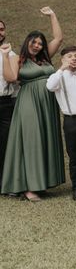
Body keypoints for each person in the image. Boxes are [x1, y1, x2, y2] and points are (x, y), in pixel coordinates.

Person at [1, 7, 64, 201]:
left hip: (47, 105)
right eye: (33, 42)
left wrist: (53, 15)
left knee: (45, 140)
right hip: (28, 103)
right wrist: (4, 55)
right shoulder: (17, 58)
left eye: (39, 43)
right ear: (27, 42)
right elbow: (11, 77)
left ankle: (41, 183)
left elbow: (58, 39)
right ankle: (28, 187)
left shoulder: (45, 58)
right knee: (32, 142)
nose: (36, 45)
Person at [46, 43, 76, 200]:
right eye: (70, 56)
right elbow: (50, 86)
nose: (74, 58)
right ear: (63, 60)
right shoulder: (59, 77)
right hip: (71, 122)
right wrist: (62, 68)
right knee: (75, 157)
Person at [0, 19, 19, 184]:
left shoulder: (11, 54)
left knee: (5, 142)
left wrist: (5, 55)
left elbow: (12, 78)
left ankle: (4, 182)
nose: (0, 32)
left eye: (1, 29)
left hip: (5, 103)